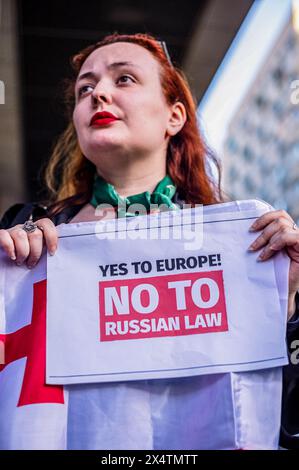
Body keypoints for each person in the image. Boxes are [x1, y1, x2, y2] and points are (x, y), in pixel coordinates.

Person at [0, 32, 299, 449]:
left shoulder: (241, 246)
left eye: (124, 79)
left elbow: (275, 416)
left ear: (174, 117)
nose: (98, 93)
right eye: (86, 88)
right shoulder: (25, 230)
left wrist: (283, 308)